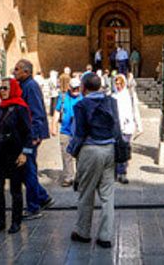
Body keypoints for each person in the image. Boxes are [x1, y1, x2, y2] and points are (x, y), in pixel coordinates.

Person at [67, 73, 121, 249]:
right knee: (107, 195)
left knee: (86, 192)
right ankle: (105, 236)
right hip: (109, 149)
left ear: (84, 87)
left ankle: (83, 231)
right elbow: (117, 127)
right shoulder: (111, 102)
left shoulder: (81, 105)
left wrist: (72, 151)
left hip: (90, 149)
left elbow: (79, 132)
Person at [0, 77, 32, 235]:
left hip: (15, 152)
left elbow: (28, 132)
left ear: (12, 88)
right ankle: (0, 221)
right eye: (1, 88)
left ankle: (16, 221)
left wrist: (25, 152)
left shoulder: (20, 107)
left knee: (15, 189)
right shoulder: (0, 108)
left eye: (6, 88)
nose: (3, 91)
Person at [13, 59, 54, 219]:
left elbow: (37, 112)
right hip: (27, 135)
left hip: (30, 137)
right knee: (25, 168)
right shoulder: (24, 85)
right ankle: (43, 197)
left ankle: (33, 207)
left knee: (28, 168)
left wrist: (35, 135)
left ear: (26, 72)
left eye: (17, 69)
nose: (14, 72)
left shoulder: (30, 86)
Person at [52, 76, 84, 187]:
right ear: (69, 88)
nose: (76, 90)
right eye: (74, 88)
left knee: (80, 155)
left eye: (78, 88)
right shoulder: (63, 97)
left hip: (79, 132)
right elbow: (57, 111)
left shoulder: (83, 98)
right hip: (65, 130)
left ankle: (80, 177)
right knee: (66, 155)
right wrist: (53, 126)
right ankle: (68, 177)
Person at [112, 74, 142, 184]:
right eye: (117, 83)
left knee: (124, 149)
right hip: (116, 127)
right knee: (115, 150)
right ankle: (115, 172)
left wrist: (139, 125)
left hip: (127, 127)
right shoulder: (113, 96)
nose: (118, 86)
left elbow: (135, 110)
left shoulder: (130, 95)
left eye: (120, 83)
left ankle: (122, 173)